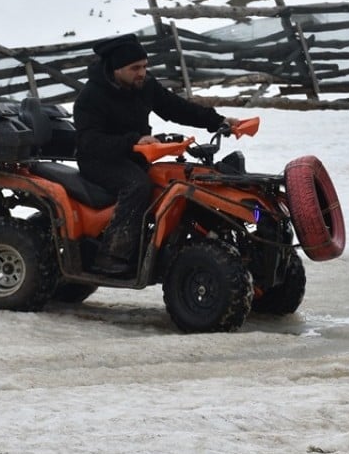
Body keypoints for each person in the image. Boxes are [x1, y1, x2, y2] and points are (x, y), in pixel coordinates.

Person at [72, 33, 236, 275]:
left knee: (177, 178)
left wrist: (218, 121)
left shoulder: (143, 85)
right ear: (116, 69)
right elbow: (88, 142)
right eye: (135, 68)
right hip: (99, 160)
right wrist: (133, 142)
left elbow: (175, 107)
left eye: (145, 66)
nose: (142, 73)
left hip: (135, 155)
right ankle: (111, 254)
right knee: (137, 185)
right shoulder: (91, 96)